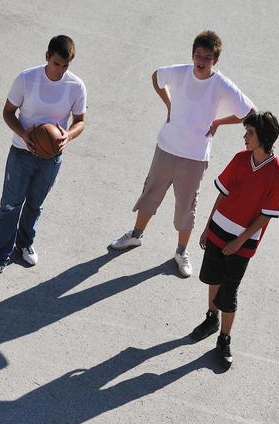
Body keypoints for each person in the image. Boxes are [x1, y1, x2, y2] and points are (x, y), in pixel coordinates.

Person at [110, 30, 253, 278]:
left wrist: (218, 122)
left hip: (195, 157)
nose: (201, 61)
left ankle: (181, 252)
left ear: (215, 61)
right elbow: (156, 77)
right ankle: (135, 236)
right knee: (150, 192)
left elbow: (248, 111)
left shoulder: (221, 85)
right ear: (192, 54)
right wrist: (169, 104)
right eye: (198, 55)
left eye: (207, 58)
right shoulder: (180, 71)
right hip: (166, 147)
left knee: (186, 207)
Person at [0, 35, 87, 282]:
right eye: (56, 64)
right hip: (21, 152)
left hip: (51, 158)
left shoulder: (76, 86)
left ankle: (24, 244)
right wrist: (24, 133)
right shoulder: (26, 79)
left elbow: (80, 121)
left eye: (65, 66)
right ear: (47, 56)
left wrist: (67, 136)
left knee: (35, 204)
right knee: (10, 206)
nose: (60, 70)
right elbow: (8, 112)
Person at [190, 111, 279, 365]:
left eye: (250, 133)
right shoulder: (240, 159)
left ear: (263, 137)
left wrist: (240, 240)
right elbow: (222, 195)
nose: (245, 136)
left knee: (229, 291)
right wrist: (208, 227)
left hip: (242, 243)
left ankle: (224, 340)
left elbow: (265, 217)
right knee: (212, 277)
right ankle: (212, 318)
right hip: (219, 230)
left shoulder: (278, 174)